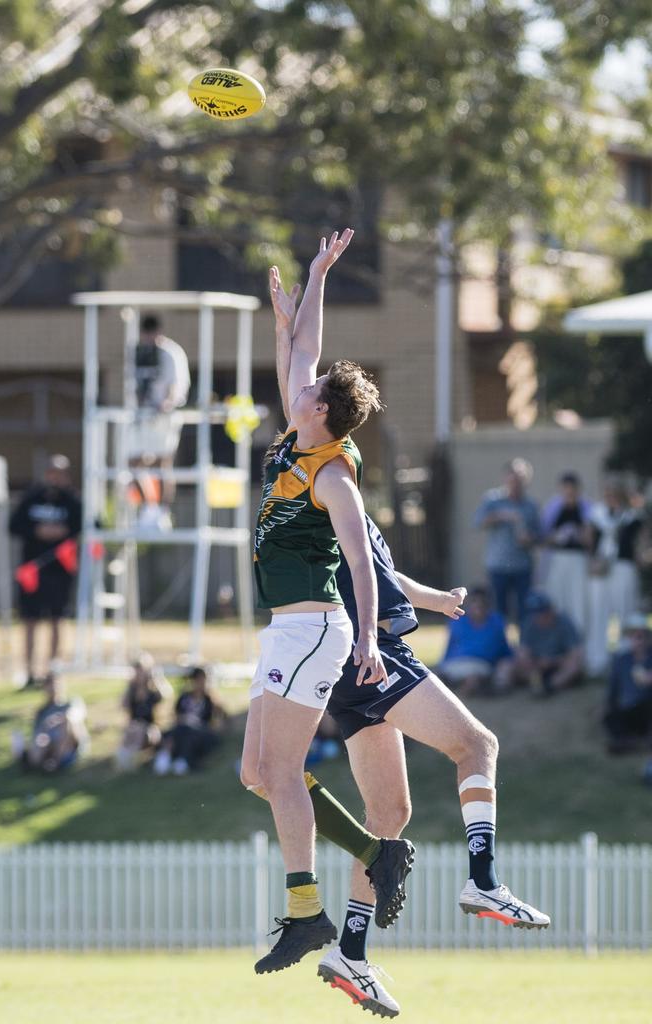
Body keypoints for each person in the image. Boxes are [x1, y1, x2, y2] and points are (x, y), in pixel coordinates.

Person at [240, 229, 413, 978]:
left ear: (321, 411)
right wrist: (316, 277)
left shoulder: (332, 472)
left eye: (308, 389)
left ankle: (307, 914)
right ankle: (376, 851)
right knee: (257, 771)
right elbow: (303, 347)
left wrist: (370, 637)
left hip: (316, 629)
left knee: (279, 772)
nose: (297, 382)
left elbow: (357, 557)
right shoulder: (299, 437)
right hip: (288, 631)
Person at [315, 514, 550, 1014]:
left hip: (348, 666)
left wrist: (435, 600)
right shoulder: (332, 480)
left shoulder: (335, 485)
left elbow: (378, 573)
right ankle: (484, 882)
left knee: (388, 816)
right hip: (372, 650)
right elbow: (354, 571)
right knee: (477, 745)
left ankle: (350, 952)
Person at [9, 455, 82, 688]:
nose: (54, 477)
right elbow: (13, 526)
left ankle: (53, 671)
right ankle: (30, 671)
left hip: (60, 571)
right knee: (30, 621)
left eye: (59, 473)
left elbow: (86, 527)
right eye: (51, 472)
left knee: (57, 620)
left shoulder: (72, 501)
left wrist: (63, 532)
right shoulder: (32, 497)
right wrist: (38, 531)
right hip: (32, 571)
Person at [129, 313, 191, 524]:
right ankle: (149, 506)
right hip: (144, 415)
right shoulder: (139, 352)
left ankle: (163, 511)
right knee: (135, 461)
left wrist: (167, 403)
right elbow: (136, 384)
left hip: (164, 416)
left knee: (162, 461)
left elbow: (176, 385)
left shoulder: (170, 352)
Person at [585, 479, 648, 676]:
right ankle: (597, 660)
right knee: (599, 613)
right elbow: (589, 541)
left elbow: (642, 546)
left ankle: (627, 656)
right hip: (601, 570)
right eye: (608, 493)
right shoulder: (597, 515)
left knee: (626, 611)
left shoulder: (633, 517)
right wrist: (593, 561)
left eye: (615, 493)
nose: (611, 497)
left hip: (623, 567)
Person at [474, 460, 540, 623]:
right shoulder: (493, 499)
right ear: (506, 478)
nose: (516, 483)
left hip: (522, 566)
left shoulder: (531, 505)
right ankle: (500, 647)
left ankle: (524, 647)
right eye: (513, 478)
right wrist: (500, 516)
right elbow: (478, 522)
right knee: (498, 612)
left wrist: (528, 538)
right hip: (498, 565)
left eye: (520, 479)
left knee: (525, 612)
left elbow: (539, 535)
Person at [436, 585, 514, 695]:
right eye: (474, 602)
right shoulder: (457, 620)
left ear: (488, 604)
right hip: (456, 663)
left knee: (476, 676)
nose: (478, 605)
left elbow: (504, 649)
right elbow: (450, 646)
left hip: (482, 664)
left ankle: (469, 686)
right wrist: (442, 665)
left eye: (482, 602)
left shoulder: (496, 621)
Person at [541, 472, 593, 633]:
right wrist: (557, 537)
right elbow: (544, 538)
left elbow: (591, 541)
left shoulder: (586, 508)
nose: (569, 492)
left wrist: (579, 534)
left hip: (578, 561)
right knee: (557, 600)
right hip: (557, 560)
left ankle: (578, 639)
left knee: (578, 601)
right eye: (566, 489)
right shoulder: (553, 508)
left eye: (573, 489)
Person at [153, 666, 227, 776]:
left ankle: (182, 760)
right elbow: (176, 716)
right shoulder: (184, 697)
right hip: (183, 728)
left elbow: (222, 716)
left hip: (202, 730)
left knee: (190, 736)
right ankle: (167, 757)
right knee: (174, 733)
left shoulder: (209, 699)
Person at [514, 591, 583, 696]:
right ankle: (536, 684)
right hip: (537, 664)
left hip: (558, 663)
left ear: (549, 610)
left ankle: (550, 686)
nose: (537, 616)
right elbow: (523, 650)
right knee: (514, 664)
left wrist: (553, 661)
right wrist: (530, 661)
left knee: (573, 666)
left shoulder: (564, 622)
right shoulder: (528, 623)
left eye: (541, 612)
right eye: (535, 613)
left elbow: (575, 653)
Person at [19, 671, 89, 772]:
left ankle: (56, 762)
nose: (53, 688)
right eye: (49, 685)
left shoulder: (72, 702)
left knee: (67, 721)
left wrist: (59, 719)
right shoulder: (42, 711)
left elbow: (77, 716)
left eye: (56, 684)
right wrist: (45, 727)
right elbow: (37, 735)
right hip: (50, 745)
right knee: (39, 739)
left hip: (70, 745)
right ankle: (35, 763)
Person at [603, 613, 652, 754]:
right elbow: (613, 689)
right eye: (634, 636)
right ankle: (629, 742)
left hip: (647, 706)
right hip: (628, 709)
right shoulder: (621, 660)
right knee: (611, 717)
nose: (638, 640)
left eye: (641, 636)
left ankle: (641, 740)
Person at [115, 654, 173, 770]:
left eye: (141, 670)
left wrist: (156, 678)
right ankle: (125, 762)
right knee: (132, 729)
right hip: (133, 728)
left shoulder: (153, 692)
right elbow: (122, 705)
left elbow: (167, 695)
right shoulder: (132, 691)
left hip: (151, 730)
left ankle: (132, 762)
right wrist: (130, 685)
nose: (139, 674)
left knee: (139, 729)